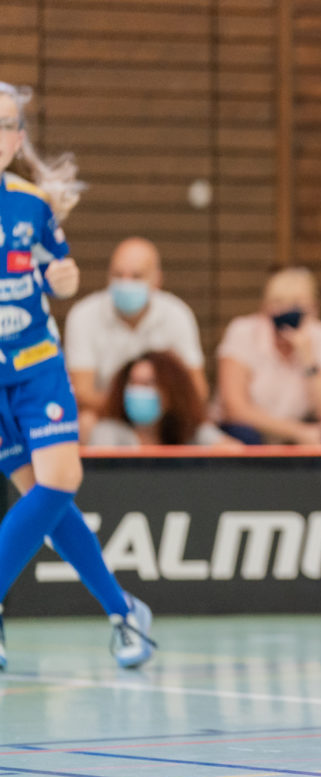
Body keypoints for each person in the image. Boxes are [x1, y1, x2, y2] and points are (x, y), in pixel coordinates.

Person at [0, 82, 154, 670]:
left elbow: (56, 270)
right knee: (46, 505)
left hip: (37, 366)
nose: (4, 135)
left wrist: (63, 279)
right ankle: (123, 611)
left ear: (19, 138)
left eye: (10, 125)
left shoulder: (32, 203)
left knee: (59, 480)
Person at [64, 236, 208, 435]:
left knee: (207, 434)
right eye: (118, 275)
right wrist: (129, 406)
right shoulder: (83, 314)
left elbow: (198, 391)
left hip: (167, 420)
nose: (126, 283)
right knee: (86, 424)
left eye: (136, 276)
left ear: (157, 279)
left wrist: (159, 410)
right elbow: (81, 392)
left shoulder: (178, 314)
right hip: (107, 415)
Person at [213, 266, 321, 445]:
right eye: (278, 303)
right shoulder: (243, 332)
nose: (286, 312)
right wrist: (297, 432)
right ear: (264, 307)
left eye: (296, 305)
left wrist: (307, 359)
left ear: (314, 308)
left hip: (300, 432)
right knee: (244, 437)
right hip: (255, 430)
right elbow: (235, 409)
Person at [88, 350, 237, 447]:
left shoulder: (194, 434)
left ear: (172, 391)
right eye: (133, 383)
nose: (138, 391)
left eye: (148, 384)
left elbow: (238, 456)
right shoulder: (108, 433)